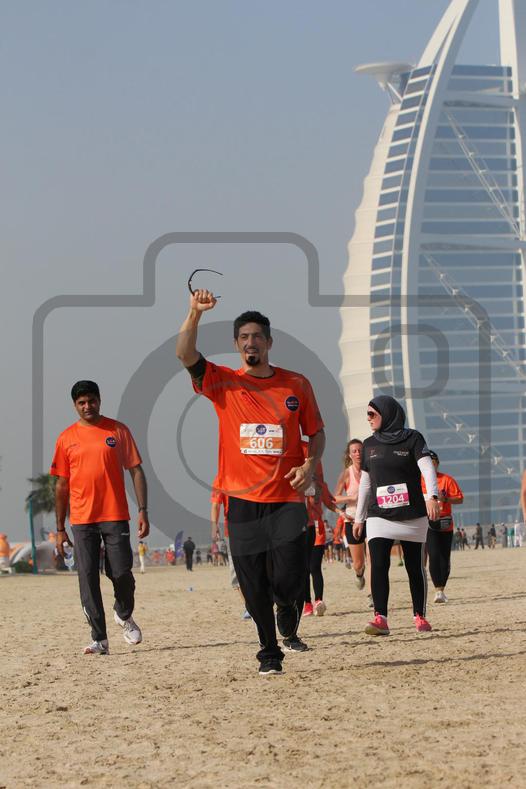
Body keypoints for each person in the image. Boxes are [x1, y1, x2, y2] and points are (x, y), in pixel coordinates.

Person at [176, 290, 325, 676]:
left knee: (290, 578)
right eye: (243, 337)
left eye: (257, 336)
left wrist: (310, 464)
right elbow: (185, 354)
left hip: (287, 498)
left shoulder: (296, 384)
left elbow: (316, 433)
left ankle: (287, 605)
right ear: (236, 345)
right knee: (252, 581)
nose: (250, 342)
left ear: (269, 343)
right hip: (241, 501)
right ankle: (269, 652)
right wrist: (194, 313)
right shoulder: (223, 382)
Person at [50, 380, 148, 655]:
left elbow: (136, 471)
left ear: (99, 400)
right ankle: (99, 639)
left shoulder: (118, 430)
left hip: (115, 514)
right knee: (87, 576)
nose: (87, 406)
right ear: (75, 405)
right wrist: (60, 528)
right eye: (81, 402)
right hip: (82, 520)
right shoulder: (66, 438)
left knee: (122, 572)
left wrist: (143, 510)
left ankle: (124, 613)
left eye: (91, 400)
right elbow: (61, 485)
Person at [353, 395, 440, 636]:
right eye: (367, 414)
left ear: (387, 414)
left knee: (415, 567)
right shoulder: (369, 444)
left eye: (372, 414)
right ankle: (380, 617)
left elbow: (427, 469)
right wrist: (359, 518)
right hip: (379, 516)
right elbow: (365, 484)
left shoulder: (413, 438)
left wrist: (432, 497)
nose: (368, 418)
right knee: (379, 564)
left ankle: (419, 615)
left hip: (412, 514)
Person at [422, 451, 464, 604]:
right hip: (428, 522)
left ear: (437, 464)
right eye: (427, 463)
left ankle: (442, 588)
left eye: (433, 463)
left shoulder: (446, 479)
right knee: (433, 555)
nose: (430, 466)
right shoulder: (418, 480)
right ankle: (437, 590)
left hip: (445, 522)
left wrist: (445, 498)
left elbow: (460, 499)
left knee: (444, 557)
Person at [210, 478, 251, 620]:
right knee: (243, 572)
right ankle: (251, 606)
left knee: (240, 573)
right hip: (243, 530)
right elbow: (216, 505)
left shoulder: (222, 479)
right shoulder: (223, 479)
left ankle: (251, 607)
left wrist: (214, 526)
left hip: (240, 531)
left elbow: (215, 505)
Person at [334, 439, 370, 595]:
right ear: (349, 455)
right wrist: (352, 498)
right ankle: (359, 573)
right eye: (354, 451)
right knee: (358, 563)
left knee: (373, 559)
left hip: (371, 519)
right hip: (352, 520)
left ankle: (372, 594)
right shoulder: (346, 474)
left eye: (360, 450)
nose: (358, 453)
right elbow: (334, 498)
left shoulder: (371, 470)